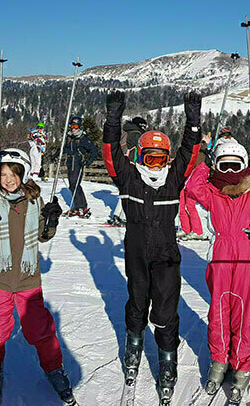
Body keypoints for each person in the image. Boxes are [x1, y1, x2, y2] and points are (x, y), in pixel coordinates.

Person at [101, 90, 201, 404]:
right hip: (136, 250)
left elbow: (191, 150)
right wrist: (114, 120)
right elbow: (110, 153)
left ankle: (167, 359)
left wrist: (193, 121)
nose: (155, 165)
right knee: (137, 300)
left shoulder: (174, 179)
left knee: (166, 307)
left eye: (160, 159)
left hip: (167, 254)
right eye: (149, 158)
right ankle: (134, 346)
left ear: (168, 159)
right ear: (140, 156)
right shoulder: (128, 178)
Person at [0, 148, 73, 406]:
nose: (8, 179)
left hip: (27, 278)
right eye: (3, 174)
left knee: (40, 329)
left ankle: (54, 369)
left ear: (23, 174)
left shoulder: (35, 201)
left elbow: (42, 236)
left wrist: (51, 222)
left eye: (13, 173)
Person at [184, 140, 250, 403]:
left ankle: (242, 364)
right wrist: (204, 167)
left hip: (247, 261)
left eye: (235, 166)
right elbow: (192, 187)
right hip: (219, 260)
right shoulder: (211, 193)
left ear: (243, 166)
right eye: (223, 166)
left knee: (245, 315)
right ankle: (219, 361)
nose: (229, 173)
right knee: (218, 314)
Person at [106, 116, 148, 226]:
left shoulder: (126, 131)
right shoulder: (136, 135)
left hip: (123, 163)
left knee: (126, 190)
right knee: (131, 192)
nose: (145, 128)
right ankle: (123, 217)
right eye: (143, 126)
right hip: (132, 165)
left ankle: (116, 215)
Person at [62, 116, 98, 218]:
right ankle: (78, 206)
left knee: (75, 184)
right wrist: (56, 154)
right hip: (70, 162)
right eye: (72, 126)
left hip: (78, 163)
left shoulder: (83, 138)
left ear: (79, 126)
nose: (73, 128)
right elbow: (65, 148)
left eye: (76, 126)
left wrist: (88, 161)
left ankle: (83, 206)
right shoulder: (69, 137)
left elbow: (94, 150)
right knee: (72, 185)